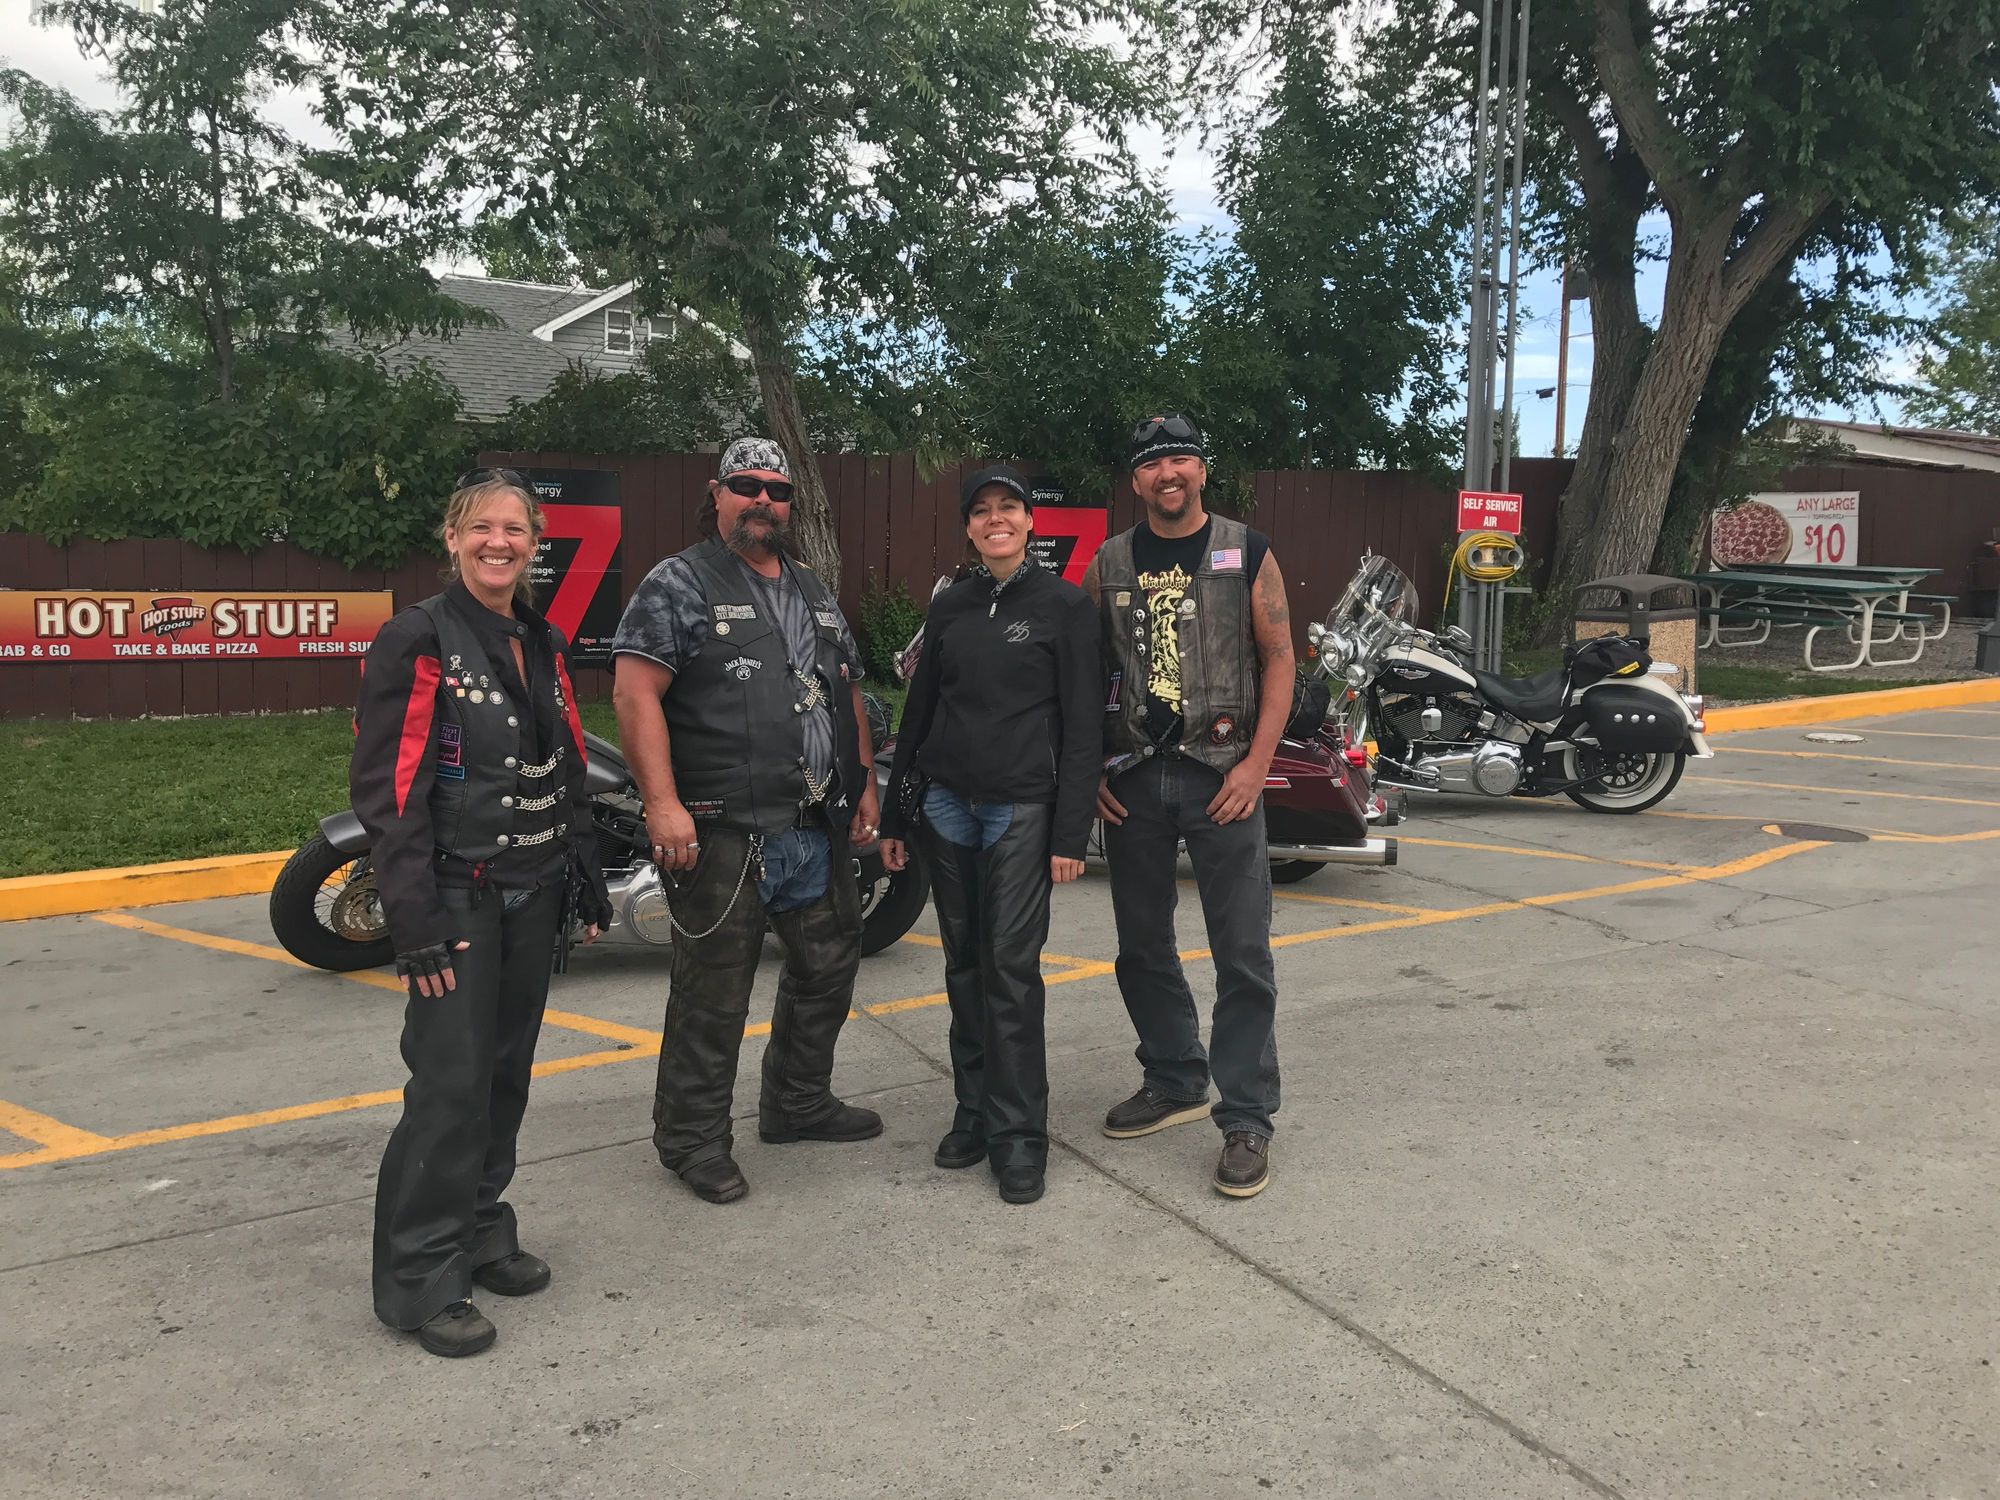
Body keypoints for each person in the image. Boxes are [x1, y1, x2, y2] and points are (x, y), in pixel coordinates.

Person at [352, 467, 612, 1358]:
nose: (499, 543)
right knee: (450, 1084)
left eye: (515, 530)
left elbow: (566, 760)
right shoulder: (418, 636)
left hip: (532, 888)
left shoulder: (539, 637)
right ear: (453, 538)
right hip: (456, 893)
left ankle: (479, 1225)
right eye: (482, 528)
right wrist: (413, 916)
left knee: (504, 1075)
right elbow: (390, 791)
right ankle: (422, 1278)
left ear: (534, 544)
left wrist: (582, 870)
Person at [611, 438, 883, 1207]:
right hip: (723, 827)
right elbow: (634, 694)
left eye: (777, 488)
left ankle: (798, 1103)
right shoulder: (678, 582)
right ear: (718, 494)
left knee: (827, 967)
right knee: (714, 992)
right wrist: (662, 803)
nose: (763, 499)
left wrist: (862, 784)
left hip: (812, 822)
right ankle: (692, 1140)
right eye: (746, 484)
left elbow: (847, 690)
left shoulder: (812, 587)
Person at [1080, 414, 1295, 1199]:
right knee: (1141, 946)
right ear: (1135, 480)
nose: (1167, 473)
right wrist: (1088, 768)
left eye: (1180, 459)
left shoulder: (1247, 551)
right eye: (1151, 463)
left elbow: (1280, 658)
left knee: (1242, 952)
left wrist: (1257, 766)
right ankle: (1174, 1077)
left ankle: (1247, 1118)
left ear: (1201, 469)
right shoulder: (1107, 562)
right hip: (1133, 778)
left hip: (1222, 779)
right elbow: (1082, 673)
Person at [876, 465, 1101, 1205]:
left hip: (1021, 809)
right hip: (948, 805)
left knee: (1010, 970)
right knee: (964, 965)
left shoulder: (1065, 606)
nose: (995, 519)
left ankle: (1019, 1137)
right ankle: (972, 1114)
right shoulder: (951, 604)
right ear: (968, 527)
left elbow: (1083, 727)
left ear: (1031, 522)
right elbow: (918, 712)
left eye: (1009, 508)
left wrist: (1070, 832)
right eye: (981, 511)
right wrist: (897, 814)